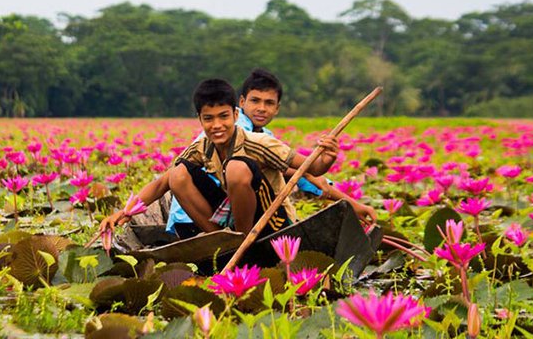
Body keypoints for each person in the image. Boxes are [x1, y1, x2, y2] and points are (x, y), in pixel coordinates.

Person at [98, 78, 340, 239]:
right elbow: (162, 183)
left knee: (236, 167)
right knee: (177, 173)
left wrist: (328, 157)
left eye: (223, 116)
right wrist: (123, 212)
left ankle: (244, 241)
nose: (217, 126)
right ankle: (220, 239)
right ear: (200, 120)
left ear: (235, 114)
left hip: (272, 223)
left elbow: (314, 168)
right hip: (233, 221)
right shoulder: (202, 146)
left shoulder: (260, 143)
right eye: (209, 118)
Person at [166, 68, 376, 238]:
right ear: (241, 104)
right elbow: (304, 173)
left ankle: (235, 239)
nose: (262, 109)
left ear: (277, 108)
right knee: (239, 170)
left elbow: (302, 172)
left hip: (201, 217)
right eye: (255, 101)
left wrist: (349, 202)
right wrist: (346, 199)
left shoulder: (263, 136)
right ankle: (240, 240)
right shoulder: (230, 130)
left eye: (269, 103)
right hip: (202, 216)